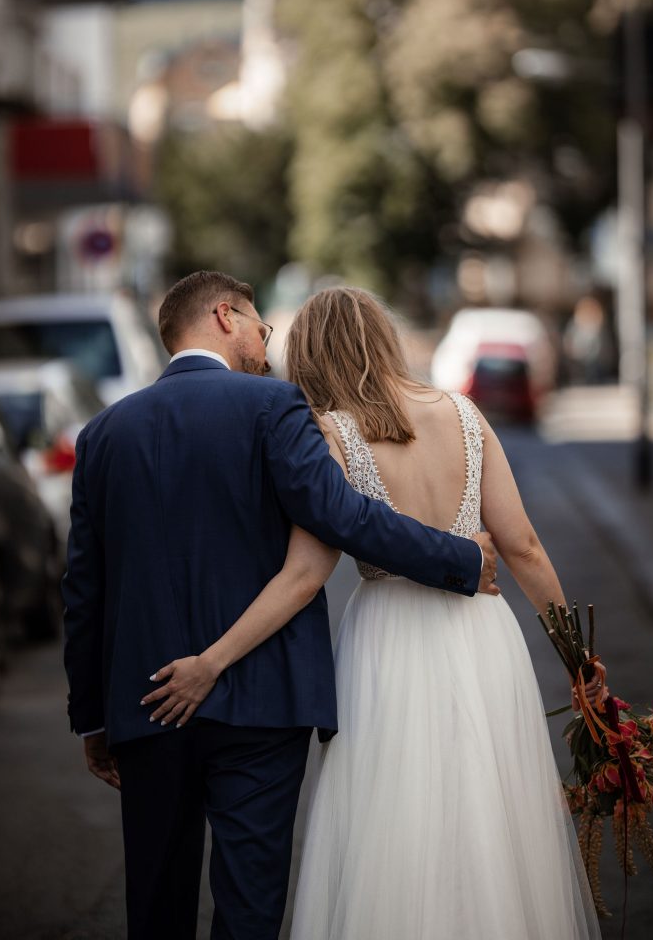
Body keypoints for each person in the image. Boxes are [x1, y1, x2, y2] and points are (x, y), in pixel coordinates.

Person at [146, 287, 603, 940]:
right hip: (481, 633)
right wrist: (579, 661)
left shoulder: (329, 433)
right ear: (383, 339)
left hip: (385, 639)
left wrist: (213, 659)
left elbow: (305, 576)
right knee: (487, 816)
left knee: (396, 821)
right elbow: (523, 547)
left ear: (310, 353)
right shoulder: (466, 416)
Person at [62, 271, 498, 940]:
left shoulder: (104, 435)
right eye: (261, 325)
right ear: (224, 315)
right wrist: (460, 558)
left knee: (155, 904)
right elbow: (344, 516)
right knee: (251, 907)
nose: (268, 342)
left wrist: (94, 717)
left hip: (147, 706)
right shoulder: (273, 408)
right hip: (263, 704)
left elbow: (84, 590)